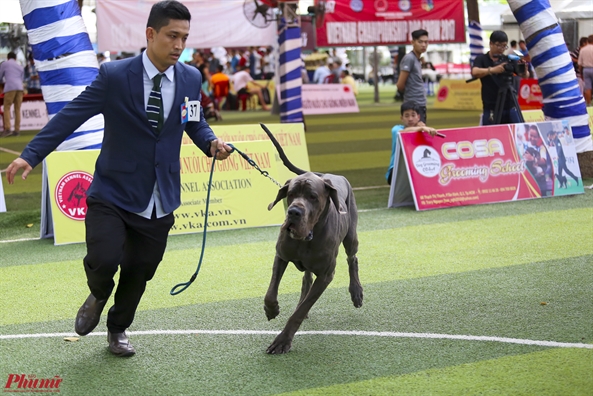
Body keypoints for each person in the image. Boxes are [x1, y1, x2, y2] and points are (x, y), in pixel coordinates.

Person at [5, 0, 232, 357]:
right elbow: (70, 116)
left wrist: (211, 143)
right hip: (111, 191)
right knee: (105, 258)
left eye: (184, 38)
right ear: (150, 34)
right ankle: (97, 293)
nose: (178, 45)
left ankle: (118, 330)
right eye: (172, 36)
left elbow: (194, 122)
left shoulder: (190, 77)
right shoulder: (114, 75)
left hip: (161, 196)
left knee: (140, 271)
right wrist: (30, 155)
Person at [471, 30, 528, 125]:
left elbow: (525, 76)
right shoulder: (482, 59)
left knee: (519, 132)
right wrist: (493, 70)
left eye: (504, 46)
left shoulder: (509, 59)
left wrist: (524, 70)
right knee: (490, 135)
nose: (501, 49)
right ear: (491, 44)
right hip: (491, 106)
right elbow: (475, 72)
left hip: (510, 104)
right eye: (498, 45)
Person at [385, 101, 438, 184]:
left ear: (418, 117)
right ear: (401, 118)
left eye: (413, 115)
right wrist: (422, 129)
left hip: (416, 168)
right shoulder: (396, 129)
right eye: (407, 116)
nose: (410, 119)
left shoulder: (422, 130)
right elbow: (404, 132)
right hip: (396, 170)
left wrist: (422, 129)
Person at [396, 29, 429, 123]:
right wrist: (410, 98)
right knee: (418, 133)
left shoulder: (417, 59)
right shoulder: (409, 58)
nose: (423, 45)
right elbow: (400, 85)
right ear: (412, 42)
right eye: (420, 42)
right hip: (414, 106)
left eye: (426, 42)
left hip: (420, 104)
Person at [0, 52, 25, 137]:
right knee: (17, 109)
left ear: (7, 57)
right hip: (20, 88)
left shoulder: (5, 64)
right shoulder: (20, 66)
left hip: (10, 87)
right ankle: (17, 130)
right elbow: (22, 78)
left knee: (6, 107)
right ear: (15, 58)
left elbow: (0, 76)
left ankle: (7, 129)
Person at [578, 34, 593, 106]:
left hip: (586, 70)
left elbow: (580, 63)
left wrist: (580, 72)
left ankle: (589, 103)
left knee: (588, 88)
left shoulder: (583, 50)